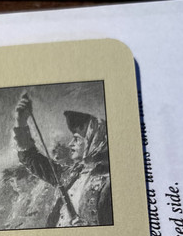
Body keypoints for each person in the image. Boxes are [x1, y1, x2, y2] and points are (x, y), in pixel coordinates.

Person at [13, 93, 113, 227]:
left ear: (94, 143)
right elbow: (33, 160)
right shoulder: (71, 174)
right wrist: (21, 121)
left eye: (76, 139)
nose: (71, 143)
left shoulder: (109, 183)